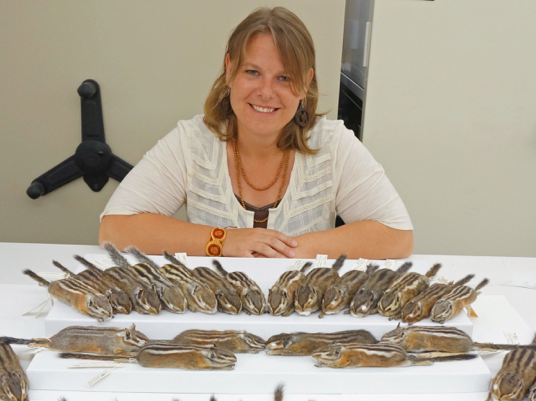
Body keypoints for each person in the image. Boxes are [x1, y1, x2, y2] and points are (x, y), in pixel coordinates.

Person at [99, 7, 413, 259]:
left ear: (306, 83)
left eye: (284, 77)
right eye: (253, 72)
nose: (266, 92)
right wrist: (223, 240)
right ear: (229, 70)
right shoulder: (191, 141)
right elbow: (115, 228)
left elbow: (397, 236)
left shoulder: (334, 144)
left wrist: (292, 250)